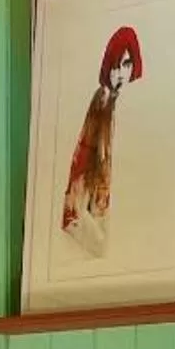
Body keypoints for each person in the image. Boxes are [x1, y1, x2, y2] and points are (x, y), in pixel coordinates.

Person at [62, 25, 142, 255]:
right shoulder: (102, 102)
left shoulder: (142, 101)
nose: (120, 74)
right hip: (102, 204)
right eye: (115, 66)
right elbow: (85, 158)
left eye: (126, 64)